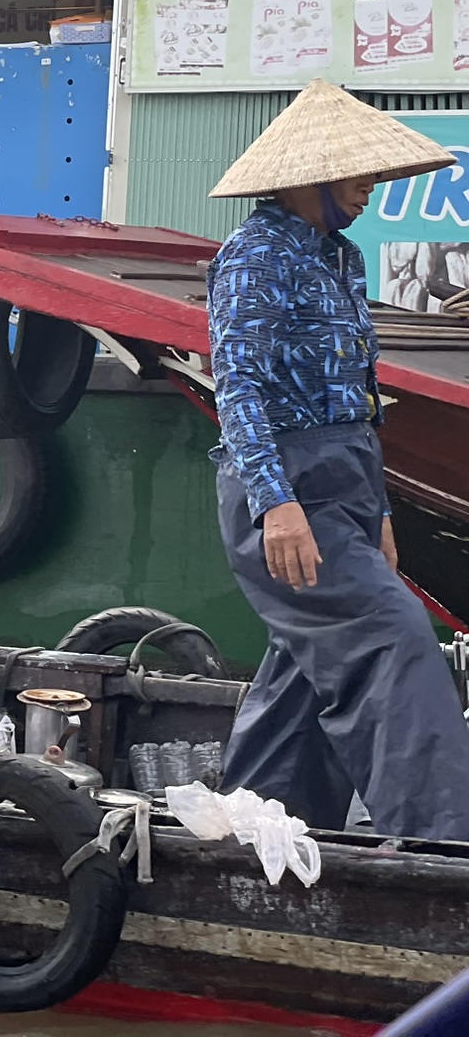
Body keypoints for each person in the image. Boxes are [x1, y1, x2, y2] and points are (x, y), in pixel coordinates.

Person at [205, 79, 469, 841]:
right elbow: (239, 385)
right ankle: (442, 844)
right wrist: (274, 501)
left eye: (372, 176)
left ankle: (258, 829)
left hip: (347, 482)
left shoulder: (343, 260)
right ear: (304, 177)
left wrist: (379, 510)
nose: (368, 190)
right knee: (394, 637)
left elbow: (361, 389)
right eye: (354, 175)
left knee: (302, 673)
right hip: (287, 484)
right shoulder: (252, 258)